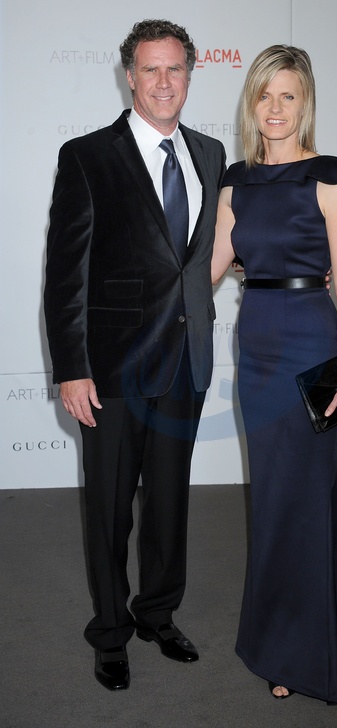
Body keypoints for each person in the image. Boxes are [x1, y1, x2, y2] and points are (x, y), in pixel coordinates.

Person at [212, 45, 337, 704]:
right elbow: (206, 270)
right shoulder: (236, 183)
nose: (275, 108)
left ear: (305, 104)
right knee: (272, 500)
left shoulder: (331, 179)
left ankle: (304, 651)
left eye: (288, 95)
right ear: (252, 103)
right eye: (264, 94)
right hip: (256, 351)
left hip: (312, 347)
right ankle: (282, 639)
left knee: (306, 500)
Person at [44, 19, 226, 691]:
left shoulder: (210, 153)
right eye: (150, 69)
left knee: (170, 503)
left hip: (185, 360)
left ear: (189, 74)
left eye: (175, 68)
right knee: (110, 508)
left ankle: (157, 614)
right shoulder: (87, 155)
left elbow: (201, 256)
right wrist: (71, 367)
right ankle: (111, 632)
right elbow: (66, 273)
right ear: (129, 76)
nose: (163, 81)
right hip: (113, 368)